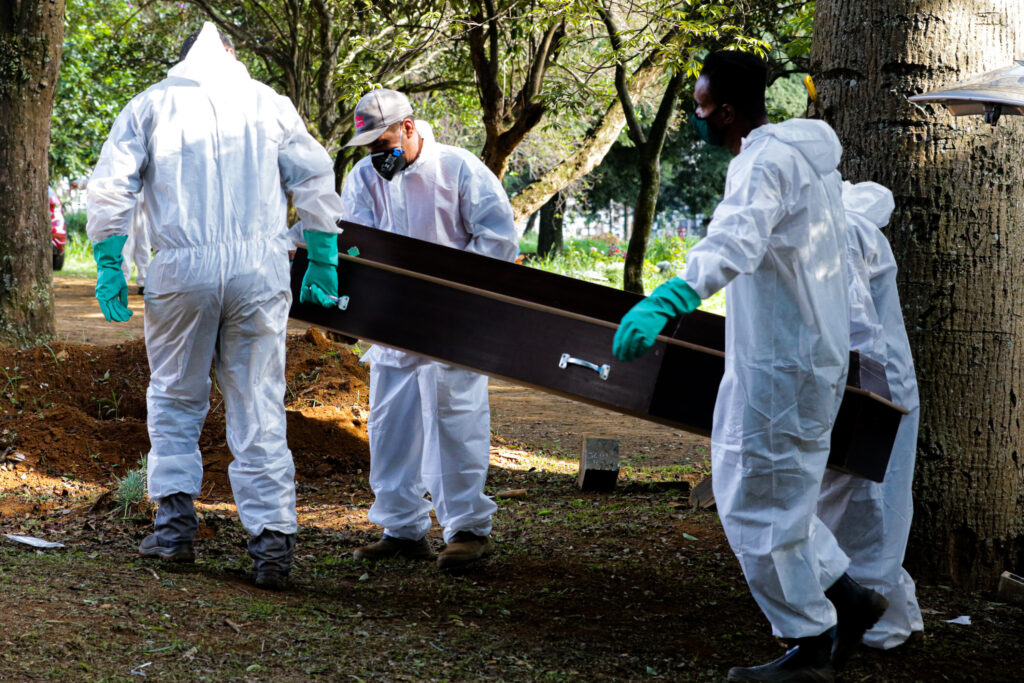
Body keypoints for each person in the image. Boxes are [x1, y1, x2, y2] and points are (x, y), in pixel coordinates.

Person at [612, 51, 887, 682]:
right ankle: (850, 601)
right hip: (799, 357)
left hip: (779, 368)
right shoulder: (798, 159)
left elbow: (735, 239)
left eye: (702, 107)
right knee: (781, 500)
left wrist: (669, 299)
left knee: (751, 502)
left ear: (729, 111)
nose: (696, 118)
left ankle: (810, 647)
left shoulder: (765, 162)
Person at [85, 23, 343, 589]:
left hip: (181, 269)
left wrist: (111, 261)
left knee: (176, 396)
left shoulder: (150, 105)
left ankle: (175, 528)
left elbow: (112, 188)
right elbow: (314, 175)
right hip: (259, 270)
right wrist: (322, 253)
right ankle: (272, 545)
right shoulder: (269, 104)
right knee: (257, 399)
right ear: (231, 53)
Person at [339, 89, 518, 570]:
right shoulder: (364, 177)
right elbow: (352, 239)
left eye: (383, 143)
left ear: (409, 127)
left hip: (450, 326)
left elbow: (499, 237)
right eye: (369, 148)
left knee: (453, 426)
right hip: (392, 326)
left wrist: (450, 290)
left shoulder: (458, 169)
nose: (377, 156)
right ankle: (402, 530)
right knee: (391, 429)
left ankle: (467, 532)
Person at [818, 180, 924, 649]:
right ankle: (896, 618)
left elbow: (857, 328)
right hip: (878, 384)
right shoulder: (847, 225)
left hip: (867, 388)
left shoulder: (839, 232)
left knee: (861, 506)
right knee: (875, 505)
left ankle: (874, 624)